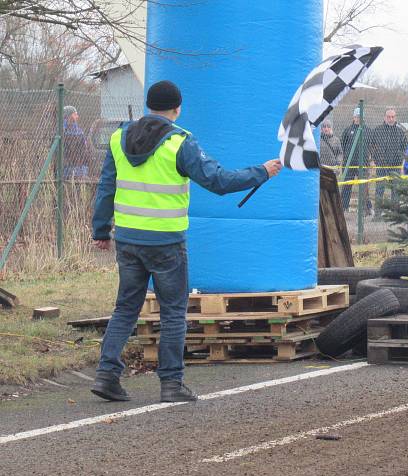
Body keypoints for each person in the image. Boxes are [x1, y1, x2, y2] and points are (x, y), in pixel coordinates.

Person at [90, 80, 282, 404]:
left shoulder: (118, 138)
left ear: (148, 105)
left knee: (125, 308)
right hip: (165, 243)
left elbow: (106, 187)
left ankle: (106, 375)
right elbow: (219, 181)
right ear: (177, 109)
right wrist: (261, 172)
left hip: (127, 240)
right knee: (174, 312)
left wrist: (99, 231)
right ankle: (171, 384)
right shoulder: (180, 142)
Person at [370, 107, 408, 212]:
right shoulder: (377, 131)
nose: (391, 119)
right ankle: (378, 213)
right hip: (381, 166)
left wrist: (400, 160)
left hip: (395, 166)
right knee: (379, 189)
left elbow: (405, 148)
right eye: (388, 117)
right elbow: (371, 146)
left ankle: (395, 213)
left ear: (395, 117)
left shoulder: (400, 132)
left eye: (392, 117)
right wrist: (376, 159)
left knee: (395, 190)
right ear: (385, 117)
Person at [340, 108, 371, 211]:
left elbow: (371, 146)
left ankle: (366, 208)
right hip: (349, 164)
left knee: (364, 186)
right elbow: (342, 145)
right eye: (357, 116)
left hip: (363, 163)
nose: (358, 119)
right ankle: (344, 207)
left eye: (360, 116)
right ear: (353, 117)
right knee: (347, 186)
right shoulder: (348, 130)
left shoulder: (368, 130)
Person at [63, 105, 91, 178]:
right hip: (66, 167)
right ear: (69, 116)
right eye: (75, 114)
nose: (77, 117)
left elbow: (84, 148)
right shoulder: (61, 130)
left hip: (79, 166)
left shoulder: (79, 131)